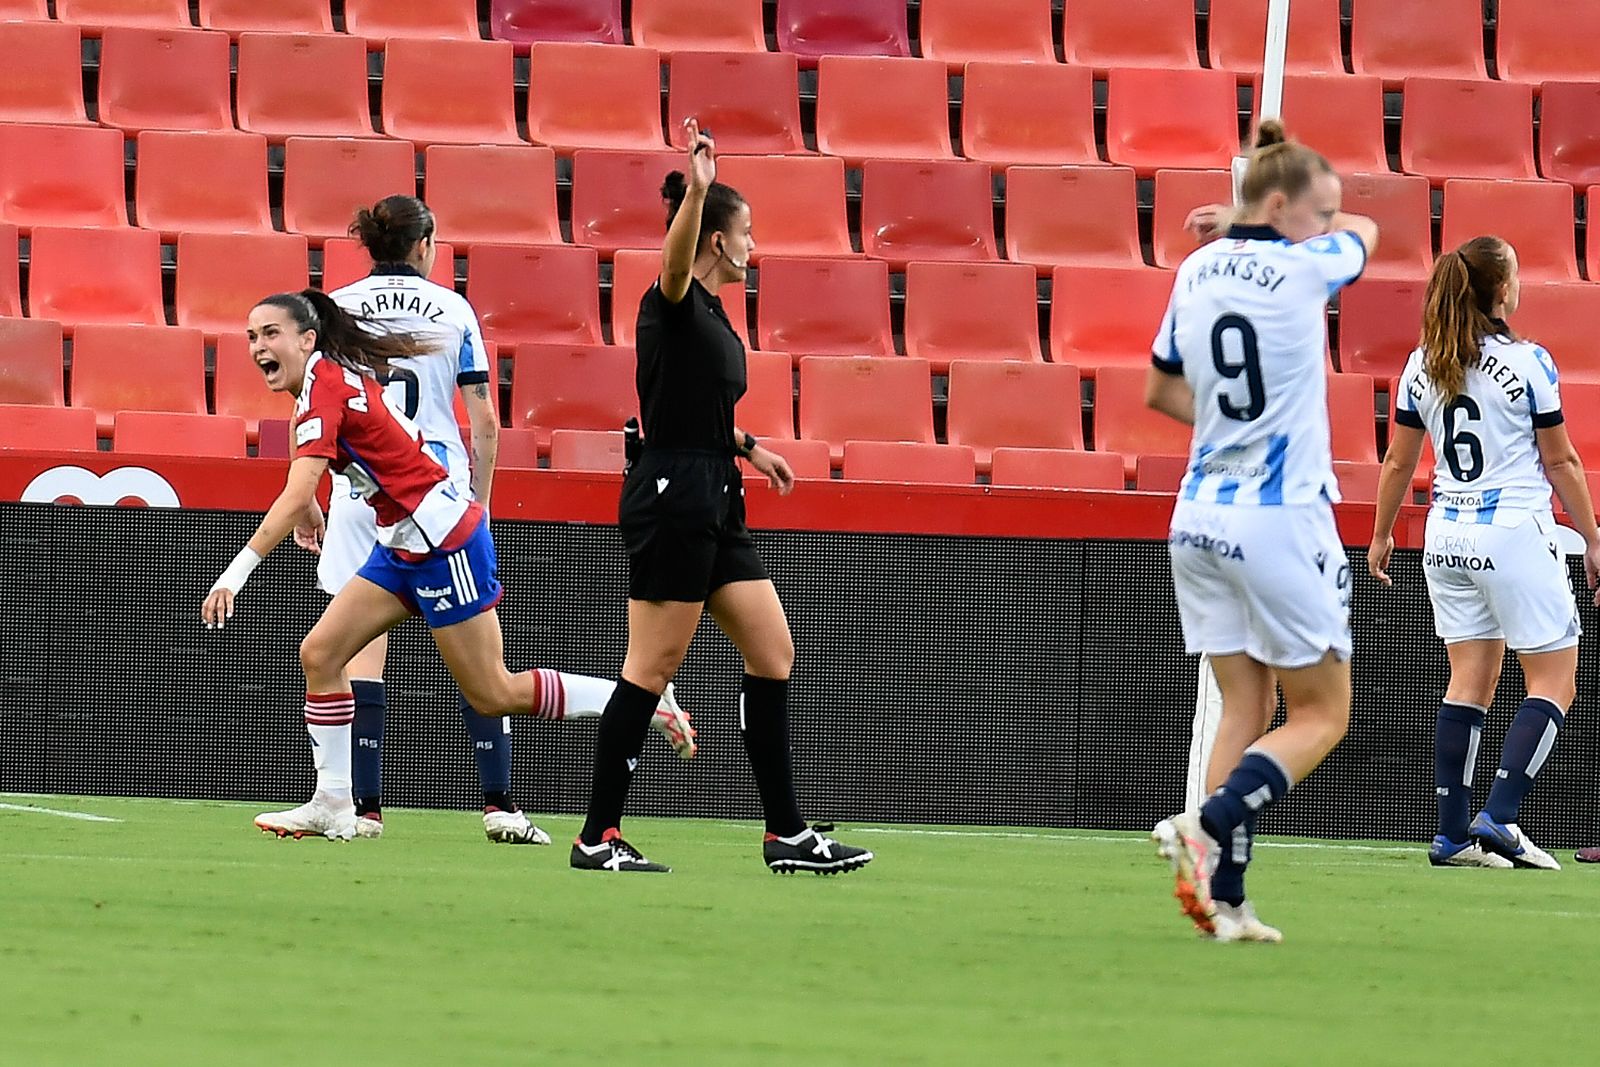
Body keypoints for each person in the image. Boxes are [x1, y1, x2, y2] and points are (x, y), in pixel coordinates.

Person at [202, 290, 687, 842]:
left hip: (442, 542)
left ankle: (640, 701)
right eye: (251, 336)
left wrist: (234, 574)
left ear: (307, 339)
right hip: (401, 542)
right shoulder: (321, 379)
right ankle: (333, 803)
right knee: (321, 654)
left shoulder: (324, 383)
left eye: (270, 334)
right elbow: (313, 451)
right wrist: (310, 505)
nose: (258, 346)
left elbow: (298, 485)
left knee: (493, 692)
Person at [302, 196, 694, 845]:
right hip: (439, 494)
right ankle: (494, 802)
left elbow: (323, 414)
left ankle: (363, 808)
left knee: (360, 655)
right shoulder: (452, 309)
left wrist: (308, 496)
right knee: (464, 664)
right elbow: (484, 418)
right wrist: (479, 504)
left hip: (360, 494)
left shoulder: (336, 309)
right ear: (425, 244)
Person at [568, 119, 873, 875]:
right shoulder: (671, 296)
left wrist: (748, 446)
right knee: (651, 667)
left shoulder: (711, 314)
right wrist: (698, 190)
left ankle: (786, 833)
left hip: (715, 489)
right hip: (673, 494)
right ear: (716, 240)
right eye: (745, 233)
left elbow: (689, 404)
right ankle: (597, 835)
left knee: (773, 651)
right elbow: (673, 265)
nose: (752, 245)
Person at [1146, 122, 1379, 941]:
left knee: (1247, 703)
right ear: (1281, 206)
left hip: (1198, 513)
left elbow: (1160, 390)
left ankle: (1226, 897)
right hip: (1279, 516)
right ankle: (1205, 822)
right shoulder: (1306, 265)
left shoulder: (1196, 268)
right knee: (1323, 713)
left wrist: (1236, 227)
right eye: (1319, 211)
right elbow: (1367, 232)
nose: (1329, 224)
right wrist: (1311, 229)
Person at [1368, 236, 1600, 870]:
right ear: (1501, 290)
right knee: (1554, 680)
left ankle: (1451, 835)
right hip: (1513, 531)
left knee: (1470, 679)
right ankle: (1500, 815)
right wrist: (1593, 537)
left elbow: (1398, 461)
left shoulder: (1422, 363)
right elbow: (1561, 459)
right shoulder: (1528, 362)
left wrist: (1382, 534)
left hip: (1445, 534)